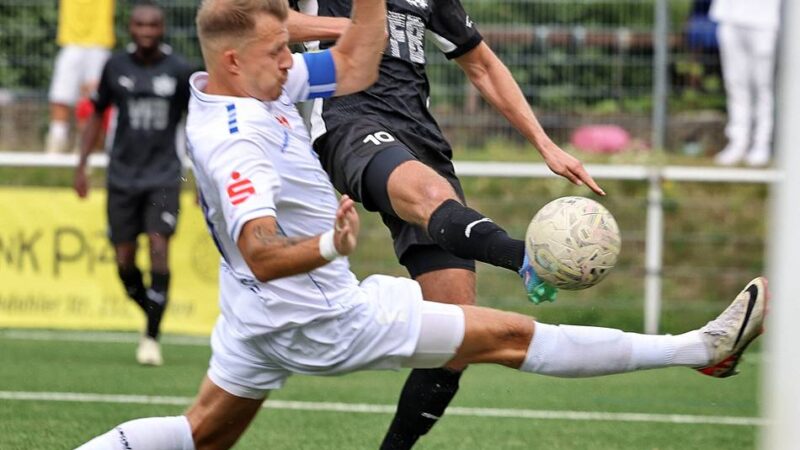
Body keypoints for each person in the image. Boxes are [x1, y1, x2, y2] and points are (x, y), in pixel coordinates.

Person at [76, 0, 767, 448]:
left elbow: (354, 59)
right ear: (237, 59)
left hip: (254, 318)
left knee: (202, 436)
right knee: (508, 337)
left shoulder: (250, 81)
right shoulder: (236, 140)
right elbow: (260, 250)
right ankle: (699, 347)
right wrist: (328, 244)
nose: (293, 59)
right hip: (318, 313)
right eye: (281, 48)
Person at [287, 3, 600, 447]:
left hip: (420, 137)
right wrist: (352, 28)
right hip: (349, 121)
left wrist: (545, 145)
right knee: (433, 197)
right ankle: (526, 259)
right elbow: (266, 23)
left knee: (456, 337)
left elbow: (484, 65)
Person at [73, 1, 193, 366]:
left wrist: (202, 177)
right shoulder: (115, 66)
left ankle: (151, 338)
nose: (146, 32)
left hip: (163, 176)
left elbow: (197, 125)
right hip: (122, 176)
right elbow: (96, 116)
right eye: (139, 25)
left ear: (162, 29)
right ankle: (152, 311)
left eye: (152, 26)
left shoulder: (180, 71)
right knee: (124, 260)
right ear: (130, 28)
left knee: (159, 248)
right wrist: (81, 165)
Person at [711, 0, 783, 167]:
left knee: (763, 87)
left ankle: (762, 143)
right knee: (735, 85)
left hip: (765, 22)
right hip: (730, 17)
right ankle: (738, 142)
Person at [46, 0, 115, 154]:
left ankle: (87, 145)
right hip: (71, 43)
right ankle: (56, 143)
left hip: (99, 44)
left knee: (95, 100)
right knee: (60, 96)